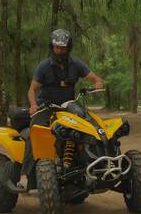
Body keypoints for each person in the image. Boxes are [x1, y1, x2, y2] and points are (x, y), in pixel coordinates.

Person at [18, 29, 104, 189]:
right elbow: (32, 90)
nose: (60, 51)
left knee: (90, 125)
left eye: (63, 48)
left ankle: (92, 166)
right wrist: (33, 105)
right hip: (46, 107)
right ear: (52, 47)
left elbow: (94, 77)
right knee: (34, 132)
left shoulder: (76, 64)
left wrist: (98, 82)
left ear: (68, 48)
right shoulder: (43, 66)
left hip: (69, 106)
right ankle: (24, 176)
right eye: (57, 47)